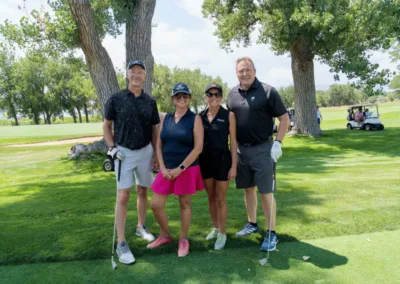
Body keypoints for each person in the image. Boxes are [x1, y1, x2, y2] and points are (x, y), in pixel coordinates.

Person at [227, 57, 290, 252]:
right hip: (241, 150)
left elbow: (284, 119)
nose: (244, 74)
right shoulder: (232, 94)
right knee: (248, 188)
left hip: (263, 148)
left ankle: (272, 233)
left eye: (247, 70)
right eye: (240, 71)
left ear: (254, 70)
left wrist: (278, 142)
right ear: (236, 73)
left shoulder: (268, 91)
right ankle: (252, 223)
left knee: (266, 193)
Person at [103, 59, 160, 264]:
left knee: (143, 190)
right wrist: (112, 148)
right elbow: (107, 125)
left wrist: (155, 154)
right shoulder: (116, 99)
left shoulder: (150, 102)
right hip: (124, 153)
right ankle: (121, 242)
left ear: (145, 76)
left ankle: (140, 226)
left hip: (145, 151)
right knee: (123, 195)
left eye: (140, 72)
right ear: (127, 74)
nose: (136, 75)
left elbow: (155, 129)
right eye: (133, 71)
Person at [147, 83, 204, 257]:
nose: (181, 99)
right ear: (173, 99)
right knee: (156, 204)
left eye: (185, 96)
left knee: (184, 204)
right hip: (166, 169)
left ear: (190, 98)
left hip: (186, 169)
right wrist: (163, 168)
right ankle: (165, 235)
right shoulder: (166, 118)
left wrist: (180, 169)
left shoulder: (195, 119)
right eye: (178, 96)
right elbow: (159, 144)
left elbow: (198, 148)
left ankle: (183, 239)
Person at [199, 83, 237, 250]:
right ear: (205, 97)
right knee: (211, 197)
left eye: (217, 94)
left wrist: (234, 165)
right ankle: (215, 227)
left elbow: (234, 142)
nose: (214, 98)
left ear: (221, 97)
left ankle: (222, 233)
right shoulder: (199, 117)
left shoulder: (229, 115)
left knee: (221, 199)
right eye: (210, 94)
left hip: (223, 161)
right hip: (205, 162)